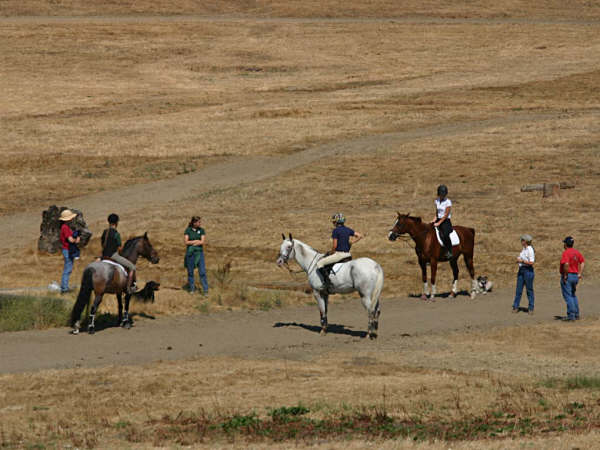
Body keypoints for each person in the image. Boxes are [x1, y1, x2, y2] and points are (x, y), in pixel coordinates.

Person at [316, 213, 363, 291]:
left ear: (336, 222)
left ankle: (328, 283)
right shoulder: (348, 229)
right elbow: (360, 236)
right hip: (348, 255)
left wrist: (331, 253)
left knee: (319, 263)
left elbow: (334, 246)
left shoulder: (336, 231)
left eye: (334, 222)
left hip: (339, 255)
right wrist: (352, 242)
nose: (333, 223)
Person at [101, 213, 137, 294]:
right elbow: (120, 248)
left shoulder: (105, 232)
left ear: (108, 222)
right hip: (113, 256)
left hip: (103, 256)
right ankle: (129, 288)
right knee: (132, 267)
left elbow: (102, 244)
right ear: (117, 223)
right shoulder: (116, 234)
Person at [559, 236, 585, 321]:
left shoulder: (566, 253)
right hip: (575, 276)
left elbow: (566, 264)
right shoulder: (577, 252)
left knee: (568, 296)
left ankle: (571, 315)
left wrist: (565, 275)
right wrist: (579, 273)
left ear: (566, 244)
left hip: (568, 276)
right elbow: (582, 262)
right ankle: (576, 314)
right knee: (573, 295)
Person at [184, 216, 208, 295]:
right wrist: (196, 241)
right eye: (198, 222)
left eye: (200, 222)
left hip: (199, 253)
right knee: (190, 272)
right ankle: (192, 289)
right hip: (190, 253)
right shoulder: (188, 230)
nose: (200, 223)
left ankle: (205, 290)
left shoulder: (201, 230)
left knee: (202, 272)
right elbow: (186, 242)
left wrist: (193, 243)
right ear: (194, 223)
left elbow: (202, 242)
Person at [59, 209, 81, 294]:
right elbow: (70, 240)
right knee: (68, 269)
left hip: (67, 249)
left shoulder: (64, 227)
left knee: (68, 268)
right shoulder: (65, 228)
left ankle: (65, 286)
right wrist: (76, 239)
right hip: (67, 250)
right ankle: (64, 288)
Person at [512, 234, 535, 314]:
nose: (521, 242)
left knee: (529, 290)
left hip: (528, 270)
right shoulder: (524, 249)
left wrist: (522, 261)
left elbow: (531, 262)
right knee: (518, 289)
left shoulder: (530, 250)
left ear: (525, 241)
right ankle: (515, 306)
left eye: (522, 240)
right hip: (521, 270)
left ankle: (531, 307)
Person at [433, 184, 453, 259]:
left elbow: (446, 214)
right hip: (438, 219)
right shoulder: (437, 201)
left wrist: (439, 223)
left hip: (445, 221)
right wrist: (434, 220)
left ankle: (449, 251)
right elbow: (437, 213)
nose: (442, 195)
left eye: (443, 194)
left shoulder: (448, 202)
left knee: (445, 234)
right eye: (441, 194)